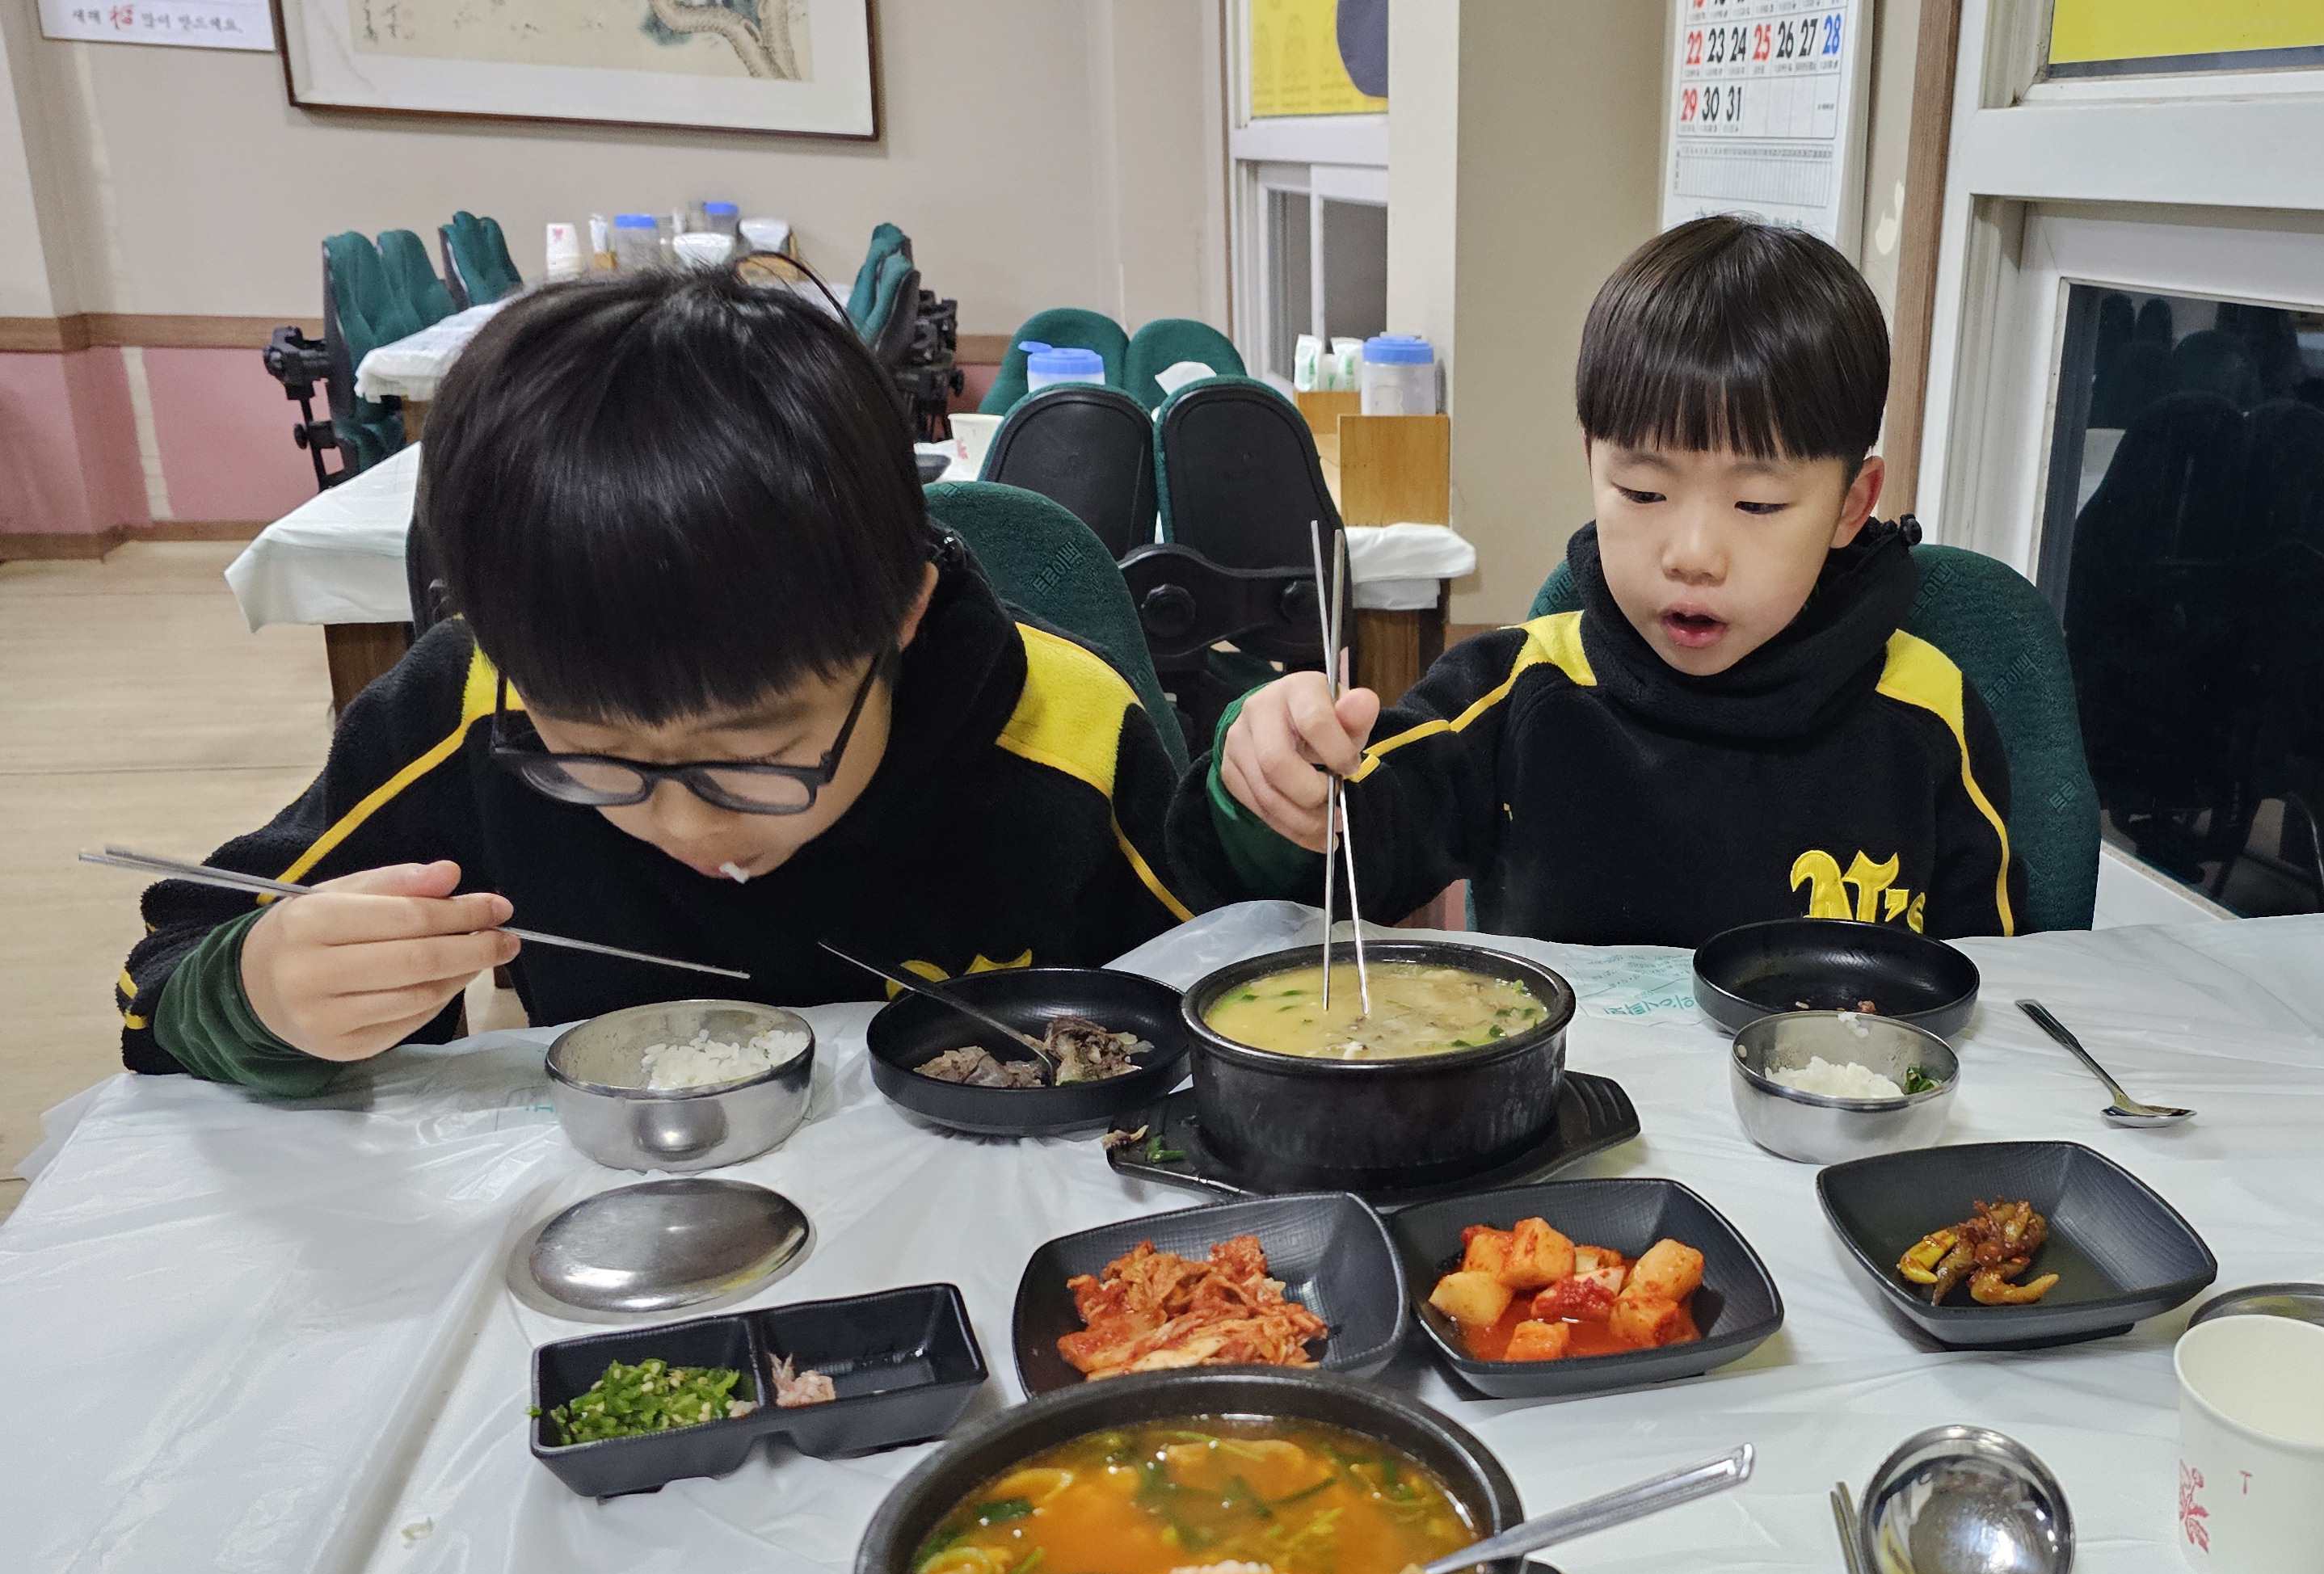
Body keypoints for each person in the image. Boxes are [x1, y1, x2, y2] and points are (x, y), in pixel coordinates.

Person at [118, 269, 1192, 1094]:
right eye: (596, 756)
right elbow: (163, 975)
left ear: (902, 617)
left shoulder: (1066, 729)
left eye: (756, 754)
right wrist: (257, 994)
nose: (687, 826)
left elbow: (1227, 973)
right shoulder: (475, 707)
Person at [1171, 216, 2022, 945]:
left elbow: (1991, 998)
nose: (1692, 554)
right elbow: (1345, 853)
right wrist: (1270, 782)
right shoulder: (1515, 693)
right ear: (1592, 466)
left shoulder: (1929, 717)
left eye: (1758, 504)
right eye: (1643, 492)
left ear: (1851, 505)